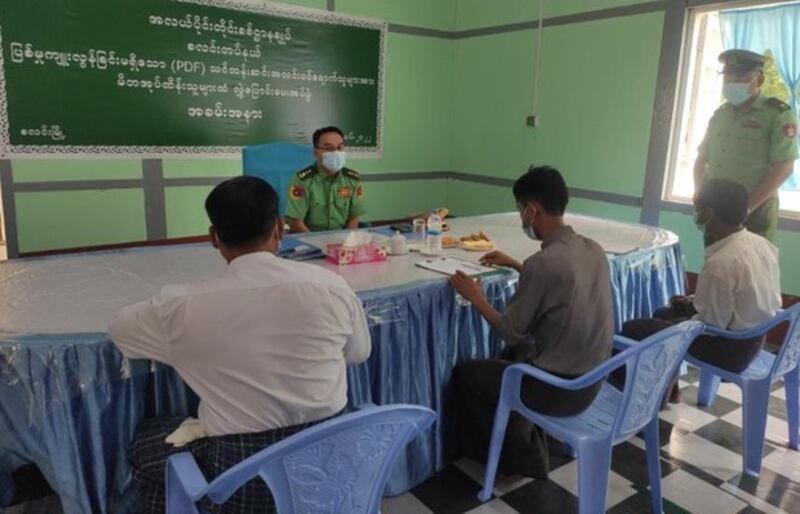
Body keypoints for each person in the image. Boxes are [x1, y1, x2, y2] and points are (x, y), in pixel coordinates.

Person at [109, 176, 371, 514]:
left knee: (147, 440)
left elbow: (119, 330)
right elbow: (359, 354)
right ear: (279, 228)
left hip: (241, 476)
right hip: (328, 460)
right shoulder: (332, 286)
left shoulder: (178, 306)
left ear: (213, 238)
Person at [448, 166, 613, 478]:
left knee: (468, 374)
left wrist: (475, 297)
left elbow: (510, 332)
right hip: (593, 379)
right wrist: (515, 264)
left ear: (532, 210)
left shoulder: (544, 263)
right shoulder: (592, 248)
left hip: (560, 390)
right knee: (511, 359)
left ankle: (520, 456)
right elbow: (561, 287)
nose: (521, 218)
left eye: (520, 210)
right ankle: (521, 432)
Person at [621, 179, 781, 401]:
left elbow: (711, 325)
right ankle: (668, 392)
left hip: (729, 350)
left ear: (709, 214)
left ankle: (640, 405)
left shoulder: (721, 263)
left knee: (633, 330)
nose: (697, 217)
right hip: (755, 337)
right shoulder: (762, 245)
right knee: (662, 315)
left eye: (698, 211)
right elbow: (742, 295)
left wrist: (686, 316)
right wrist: (692, 302)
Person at [694, 49, 799, 242]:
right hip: (715, 207)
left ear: (759, 81)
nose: (733, 83)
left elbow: (784, 167)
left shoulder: (777, 114)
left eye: (742, 78)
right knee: (716, 263)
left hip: (755, 208)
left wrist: (747, 207)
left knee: (750, 266)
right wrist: (699, 193)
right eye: (728, 77)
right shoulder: (720, 115)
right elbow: (702, 158)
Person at [285, 126, 366, 232]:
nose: (336, 153)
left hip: (341, 239)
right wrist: (316, 245)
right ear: (315, 152)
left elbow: (354, 218)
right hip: (309, 238)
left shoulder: (353, 179)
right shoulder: (302, 180)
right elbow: (296, 222)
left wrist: (346, 242)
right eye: (328, 149)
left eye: (340, 148)